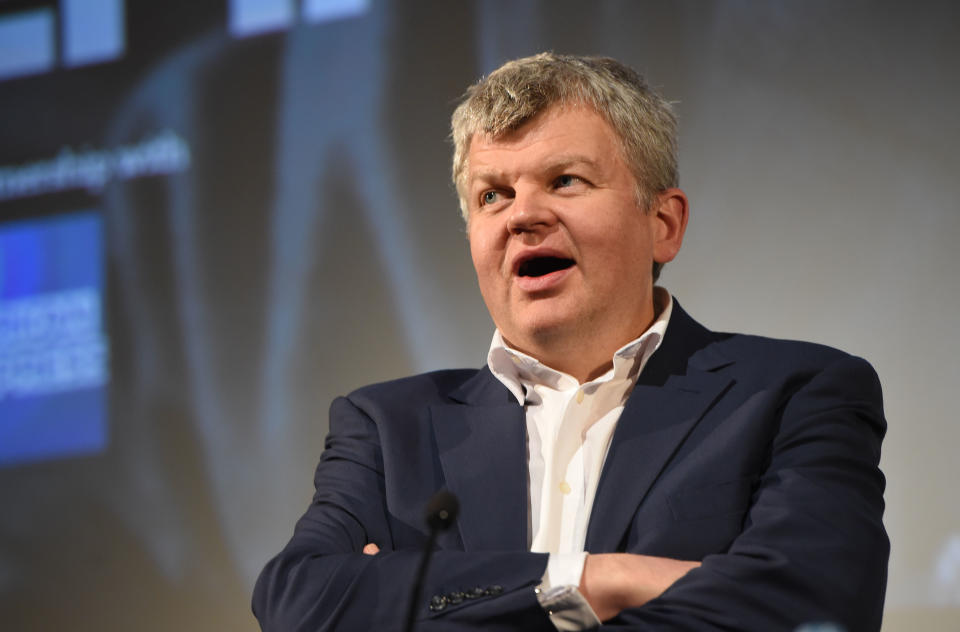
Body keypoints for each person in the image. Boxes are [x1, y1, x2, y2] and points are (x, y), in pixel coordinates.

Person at [252, 52, 889, 631]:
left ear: (663, 225)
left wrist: (424, 604)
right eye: (492, 194)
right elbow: (299, 600)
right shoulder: (387, 428)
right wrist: (594, 579)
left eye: (565, 181)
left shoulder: (794, 393)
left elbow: (813, 601)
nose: (523, 215)